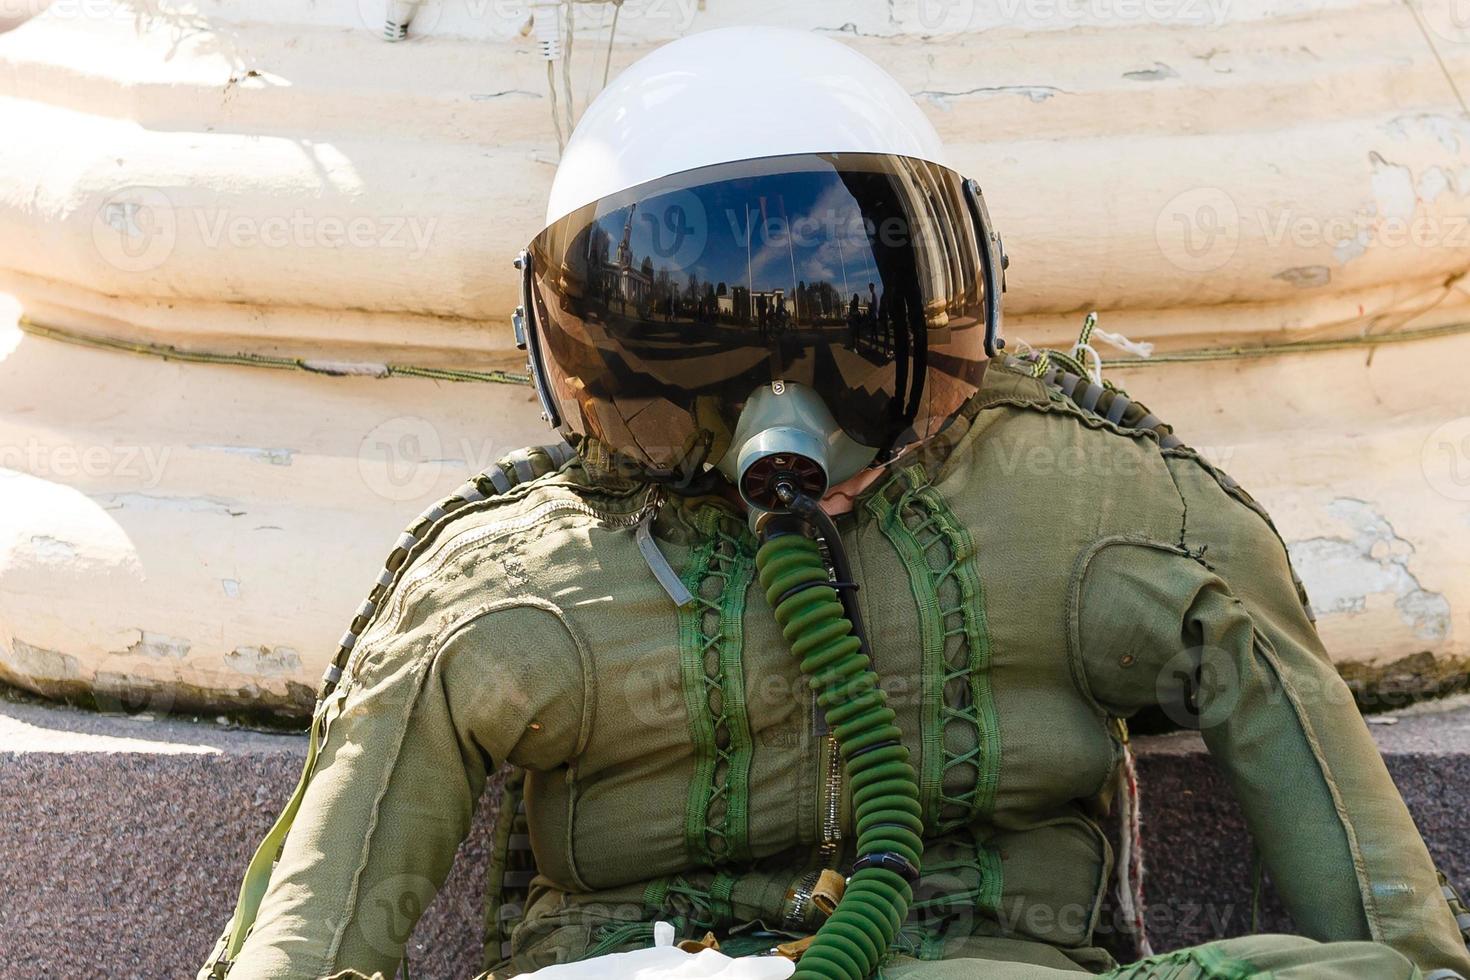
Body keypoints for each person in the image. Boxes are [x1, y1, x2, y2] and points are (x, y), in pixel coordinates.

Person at [200, 27, 1470, 980]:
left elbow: (1395, 941)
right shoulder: (518, 587)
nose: (786, 391)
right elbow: (306, 939)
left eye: (844, 323)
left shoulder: (1095, 515)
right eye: (705, 335)